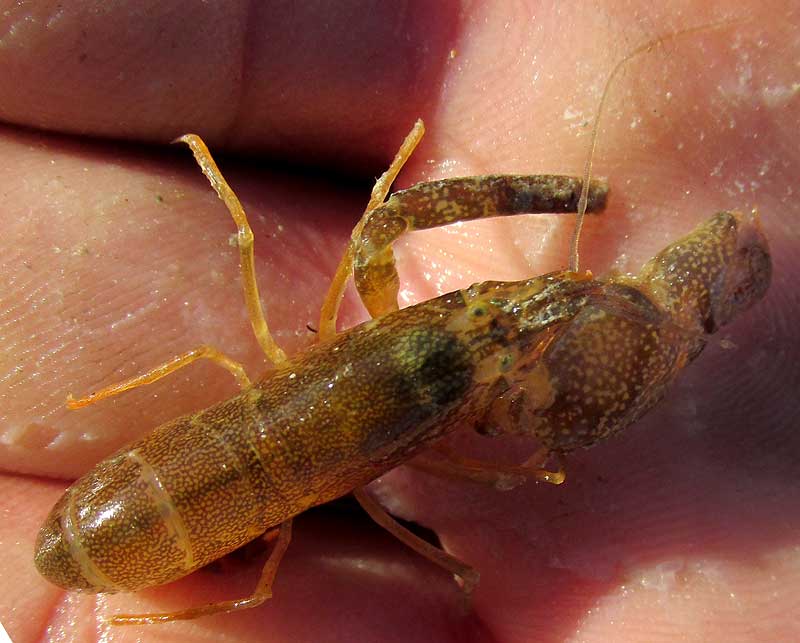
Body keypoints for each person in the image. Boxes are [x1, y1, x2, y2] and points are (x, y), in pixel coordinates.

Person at [1, 2, 796, 640]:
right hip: (142, 508)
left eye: (486, 316)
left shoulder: (408, 322)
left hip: (195, 473)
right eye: (486, 311)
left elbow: (391, 219)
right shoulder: (480, 409)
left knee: (381, 226)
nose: (494, 314)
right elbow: (526, 451)